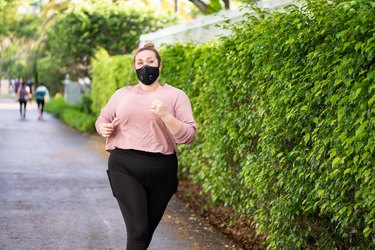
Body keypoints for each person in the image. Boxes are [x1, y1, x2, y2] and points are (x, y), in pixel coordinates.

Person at [95, 42, 197, 250]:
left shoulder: (176, 96)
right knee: (139, 231)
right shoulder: (122, 94)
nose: (145, 67)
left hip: (163, 171)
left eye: (150, 62)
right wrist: (102, 128)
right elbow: (102, 119)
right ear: (134, 67)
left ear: (160, 65)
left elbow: (189, 135)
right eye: (140, 63)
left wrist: (166, 116)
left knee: (144, 233)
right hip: (125, 166)